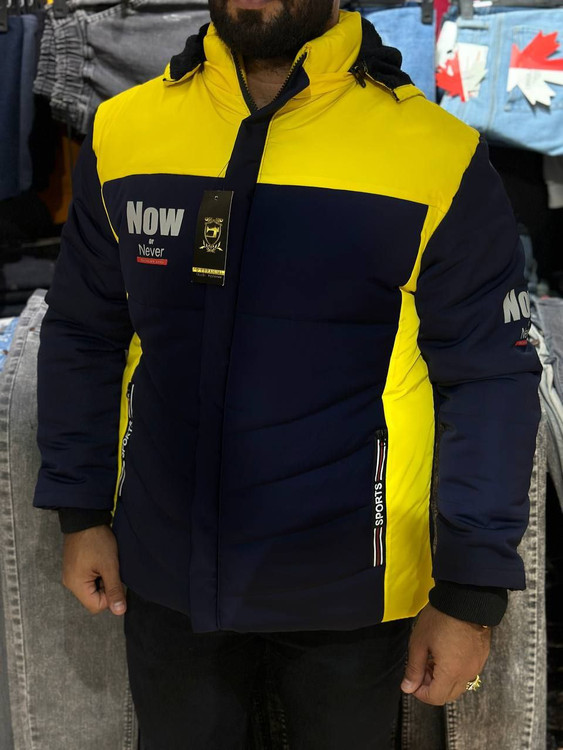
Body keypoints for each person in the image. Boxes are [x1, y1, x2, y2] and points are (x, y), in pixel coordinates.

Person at [33, 1, 542, 747]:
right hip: (166, 572)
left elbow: (490, 376)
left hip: (352, 590)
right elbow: (83, 331)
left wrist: (470, 592)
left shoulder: (436, 153)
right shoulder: (125, 131)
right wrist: (80, 513)